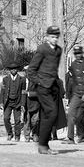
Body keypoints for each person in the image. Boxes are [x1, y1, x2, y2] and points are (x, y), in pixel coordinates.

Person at [27, 26, 64, 155]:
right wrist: (40, 82)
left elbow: (54, 70)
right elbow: (30, 71)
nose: (54, 40)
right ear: (47, 37)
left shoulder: (59, 50)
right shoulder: (42, 49)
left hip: (53, 87)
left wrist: (58, 84)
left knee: (46, 116)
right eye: (52, 37)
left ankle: (44, 146)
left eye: (56, 37)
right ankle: (42, 143)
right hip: (43, 87)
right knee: (52, 112)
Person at [62, 45, 84, 144]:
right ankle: (70, 138)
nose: (78, 55)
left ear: (82, 53)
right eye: (76, 54)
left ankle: (82, 135)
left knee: (80, 116)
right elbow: (73, 80)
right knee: (70, 114)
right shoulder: (73, 65)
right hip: (76, 93)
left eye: (79, 53)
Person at [0, 62, 26, 142]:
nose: (13, 70)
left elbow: (23, 92)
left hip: (17, 102)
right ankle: (10, 133)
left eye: (15, 69)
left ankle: (17, 135)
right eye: (12, 69)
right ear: (9, 70)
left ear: (17, 70)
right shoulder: (5, 79)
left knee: (17, 120)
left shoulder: (22, 79)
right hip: (8, 102)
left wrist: (23, 104)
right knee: (6, 118)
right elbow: (2, 91)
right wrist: (1, 102)